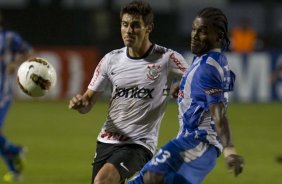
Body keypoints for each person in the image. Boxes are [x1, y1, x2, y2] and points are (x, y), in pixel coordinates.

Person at [68, 1, 188, 184]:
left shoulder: (167, 58)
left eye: (135, 25)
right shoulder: (111, 60)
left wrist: (184, 87)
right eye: (125, 24)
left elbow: (196, 78)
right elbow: (88, 103)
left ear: (149, 28)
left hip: (138, 144)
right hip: (106, 141)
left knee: (103, 181)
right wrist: (80, 104)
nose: (129, 30)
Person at [128, 7, 244, 184]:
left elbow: (217, 111)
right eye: (194, 29)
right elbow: (204, 90)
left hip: (200, 140)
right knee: (142, 180)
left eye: (203, 31)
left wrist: (230, 149)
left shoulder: (208, 67)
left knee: (154, 176)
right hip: (186, 138)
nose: (195, 35)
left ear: (218, 37)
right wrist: (182, 89)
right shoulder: (208, 59)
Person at [0, 11, 33, 182]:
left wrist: (14, 63)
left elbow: (28, 52)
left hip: (2, 93)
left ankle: (15, 153)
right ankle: (15, 163)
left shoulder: (9, 38)